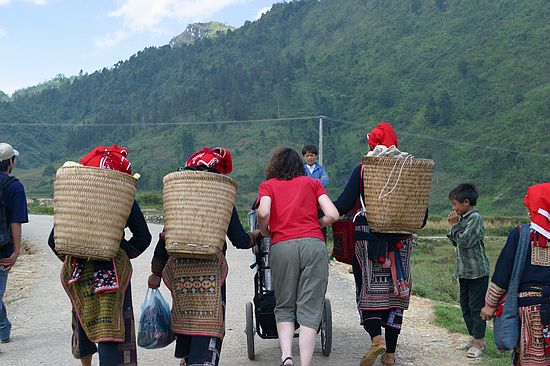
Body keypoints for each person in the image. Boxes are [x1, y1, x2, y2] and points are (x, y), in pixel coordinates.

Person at [147, 147, 260, 366]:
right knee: (207, 324)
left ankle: (189, 360)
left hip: (180, 273)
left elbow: (165, 236)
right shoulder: (221, 197)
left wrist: (156, 272)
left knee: (187, 319)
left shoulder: (178, 197)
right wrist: (255, 236)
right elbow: (239, 239)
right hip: (210, 274)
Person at [48, 145, 152, 366]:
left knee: (83, 314)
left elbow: (53, 240)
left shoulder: (76, 195)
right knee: (110, 323)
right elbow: (143, 237)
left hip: (78, 269)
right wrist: (121, 250)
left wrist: (75, 254)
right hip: (111, 270)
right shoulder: (122, 195)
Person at [333, 122, 422, 366]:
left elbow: (342, 205)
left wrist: (318, 207)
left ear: (372, 144)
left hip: (367, 240)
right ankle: (391, 354)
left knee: (367, 292)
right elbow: (421, 217)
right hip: (400, 243)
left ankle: (376, 339)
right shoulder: (409, 170)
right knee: (396, 294)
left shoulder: (363, 170)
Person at [256, 146, 339, 366]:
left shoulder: (268, 186)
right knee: (310, 307)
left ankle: (287, 357)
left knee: (284, 305)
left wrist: (266, 230)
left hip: (282, 245)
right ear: (299, 165)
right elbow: (333, 214)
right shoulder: (313, 183)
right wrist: (315, 224)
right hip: (314, 244)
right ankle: (306, 363)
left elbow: (263, 212)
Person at [481, 183, 550, 366]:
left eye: (531, 208)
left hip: (531, 312)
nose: (528, 212)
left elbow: (503, 273)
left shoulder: (521, 234)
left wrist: (490, 304)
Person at [447, 183, 489, 358]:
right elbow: (456, 242)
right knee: (465, 306)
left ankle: (479, 342)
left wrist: (455, 226)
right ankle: (474, 337)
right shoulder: (463, 218)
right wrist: (455, 227)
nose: (454, 208)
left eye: (455, 204)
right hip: (464, 272)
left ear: (466, 202)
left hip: (477, 272)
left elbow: (465, 241)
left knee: (476, 307)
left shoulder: (475, 218)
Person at [0, 143, 28, 344]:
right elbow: (15, 221)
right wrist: (17, 251)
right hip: (4, 249)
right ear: (10, 162)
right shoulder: (14, 186)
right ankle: (2, 328)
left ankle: (3, 328)